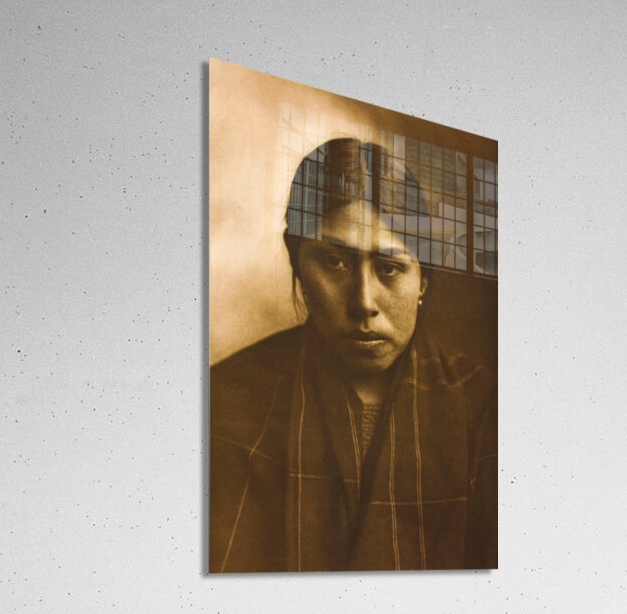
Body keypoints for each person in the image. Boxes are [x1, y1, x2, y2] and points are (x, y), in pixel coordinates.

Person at [209, 138, 496, 572]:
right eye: (334, 263)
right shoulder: (226, 401)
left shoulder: (483, 407)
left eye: (389, 268)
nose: (363, 302)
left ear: (423, 279)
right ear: (297, 264)